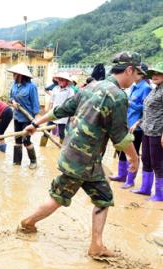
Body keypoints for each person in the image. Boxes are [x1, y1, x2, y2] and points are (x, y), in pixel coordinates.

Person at [19, 51, 143, 258]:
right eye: (137, 73)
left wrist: (35, 123)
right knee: (59, 197)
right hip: (85, 161)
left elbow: (62, 110)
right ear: (129, 70)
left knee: (102, 198)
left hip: (73, 155)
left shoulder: (92, 86)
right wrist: (134, 158)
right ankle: (28, 222)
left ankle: (96, 245)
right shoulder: (118, 95)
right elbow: (120, 136)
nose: (136, 78)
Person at [109, 63, 151, 188]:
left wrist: (130, 103)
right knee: (122, 150)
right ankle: (122, 175)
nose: (134, 75)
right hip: (127, 122)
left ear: (142, 75)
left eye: (137, 73)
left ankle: (130, 179)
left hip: (136, 126)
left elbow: (146, 108)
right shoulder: (133, 87)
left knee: (134, 151)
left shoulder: (145, 88)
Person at [131, 63, 163, 201]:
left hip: (157, 131)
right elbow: (147, 110)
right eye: (153, 74)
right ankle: (145, 188)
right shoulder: (154, 90)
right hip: (147, 129)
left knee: (158, 162)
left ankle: (160, 194)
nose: (155, 76)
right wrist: (138, 122)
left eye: (158, 73)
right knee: (146, 159)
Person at [9, 63, 40, 169]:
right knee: (17, 140)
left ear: (21, 75)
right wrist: (13, 102)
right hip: (17, 116)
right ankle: (17, 162)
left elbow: (36, 105)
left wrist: (35, 121)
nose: (13, 75)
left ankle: (33, 161)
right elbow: (11, 97)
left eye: (15, 74)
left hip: (27, 118)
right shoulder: (14, 84)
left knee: (26, 140)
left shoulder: (31, 87)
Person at [40, 72, 74, 147]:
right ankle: (42, 146)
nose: (60, 81)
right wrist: (48, 111)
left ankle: (62, 148)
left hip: (63, 114)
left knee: (61, 132)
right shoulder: (55, 89)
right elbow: (52, 100)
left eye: (62, 80)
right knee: (46, 130)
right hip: (53, 112)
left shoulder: (70, 91)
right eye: (59, 80)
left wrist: (71, 116)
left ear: (67, 82)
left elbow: (70, 103)